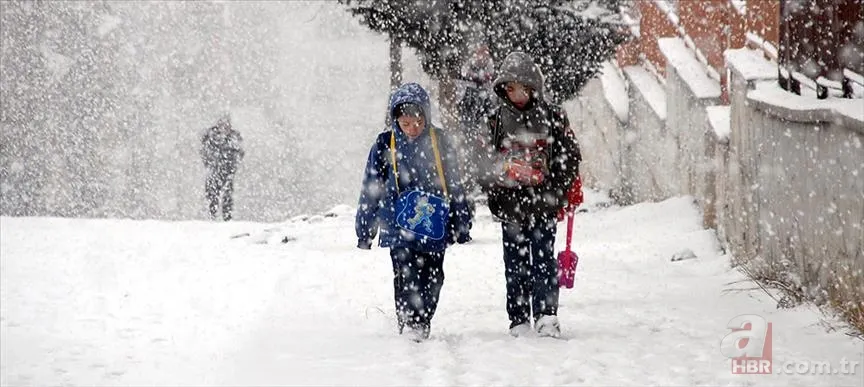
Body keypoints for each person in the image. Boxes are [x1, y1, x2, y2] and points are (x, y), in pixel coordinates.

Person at [355, 82, 472, 342]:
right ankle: (409, 321)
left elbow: (454, 182)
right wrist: (365, 228)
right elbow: (371, 186)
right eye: (406, 124)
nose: (412, 129)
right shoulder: (385, 143)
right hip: (397, 224)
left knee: (433, 276)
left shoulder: (439, 141)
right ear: (396, 120)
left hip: (434, 224)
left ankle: (423, 318)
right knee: (405, 274)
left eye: (417, 123)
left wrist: (461, 222)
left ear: (426, 118)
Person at [478, 52, 582, 338]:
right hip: (511, 206)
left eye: (522, 88)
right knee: (515, 262)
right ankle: (519, 317)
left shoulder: (553, 116)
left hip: (544, 203)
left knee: (544, 259)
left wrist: (555, 187)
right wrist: (503, 177)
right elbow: (482, 161)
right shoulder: (495, 120)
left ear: (534, 87)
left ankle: (547, 315)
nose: (517, 95)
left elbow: (569, 156)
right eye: (510, 89)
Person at [200, 114, 244, 221]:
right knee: (212, 194)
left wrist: (233, 164)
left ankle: (227, 218)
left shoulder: (233, 139)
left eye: (226, 125)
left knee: (227, 195)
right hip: (214, 170)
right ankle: (212, 216)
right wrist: (211, 162)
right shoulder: (211, 137)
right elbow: (205, 152)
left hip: (228, 171)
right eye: (222, 124)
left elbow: (240, 153)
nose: (224, 127)